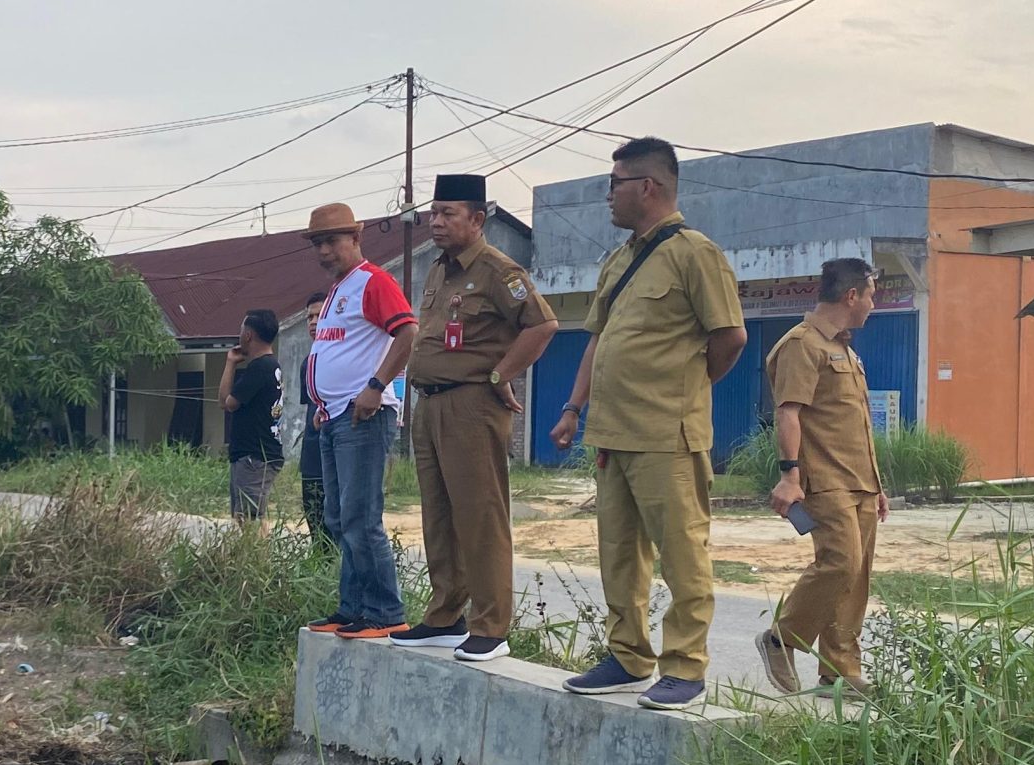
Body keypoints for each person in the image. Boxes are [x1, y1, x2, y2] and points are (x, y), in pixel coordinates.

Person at [548, 137, 744, 711]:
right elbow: (598, 340)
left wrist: (686, 387)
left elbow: (730, 336)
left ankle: (684, 667)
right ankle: (627, 656)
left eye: (615, 184)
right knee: (619, 554)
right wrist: (572, 408)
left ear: (648, 187)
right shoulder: (619, 259)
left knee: (682, 552)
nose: (607, 196)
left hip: (667, 432)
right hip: (612, 431)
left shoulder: (696, 253)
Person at [391, 174, 556, 663]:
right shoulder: (439, 269)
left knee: (480, 516)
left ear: (478, 219)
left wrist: (500, 373)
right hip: (430, 403)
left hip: (470, 404)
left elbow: (542, 324)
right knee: (438, 515)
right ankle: (445, 616)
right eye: (433, 213)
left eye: (448, 214)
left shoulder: (497, 270)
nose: (436, 223)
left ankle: (491, 626)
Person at [759, 257, 888, 698]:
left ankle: (839, 669)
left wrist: (878, 484)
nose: (874, 304)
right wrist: (789, 477)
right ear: (851, 295)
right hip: (824, 479)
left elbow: (853, 423)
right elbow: (789, 412)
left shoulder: (845, 349)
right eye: (871, 294)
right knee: (840, 562)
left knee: (857, 575)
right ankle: (783, 638)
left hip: (860, 482)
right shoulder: (802, 344)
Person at [300, 203, 416, 638]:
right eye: (318, 243)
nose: (324, 250)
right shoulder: (337, 291)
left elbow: (408, 332)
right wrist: (321, 404)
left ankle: (385, 612)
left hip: (362, 414)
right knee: (337, 516)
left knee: (361, 517)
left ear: (356, 237)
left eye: (332, 240)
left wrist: (375, 385)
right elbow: (338, 351)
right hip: (334, 416)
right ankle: (352, 607)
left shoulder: (372, 281)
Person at [221, 306, 284, 529]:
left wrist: (229, 363)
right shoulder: (270, 365)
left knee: (251, 520)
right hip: (257, 454)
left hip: (254, 456)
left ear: (248, 334)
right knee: (245, 517)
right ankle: (255, 560)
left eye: (241, 329)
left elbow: (227, 402)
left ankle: (261, 562)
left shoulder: (260, 368)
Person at [296, 290, 333, 549]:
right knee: (315, 525)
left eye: (319, 315)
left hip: (335, 451)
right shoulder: (307, 363)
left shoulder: (342, 359)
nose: (313, 321)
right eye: (309, 316)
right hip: (311, 453)